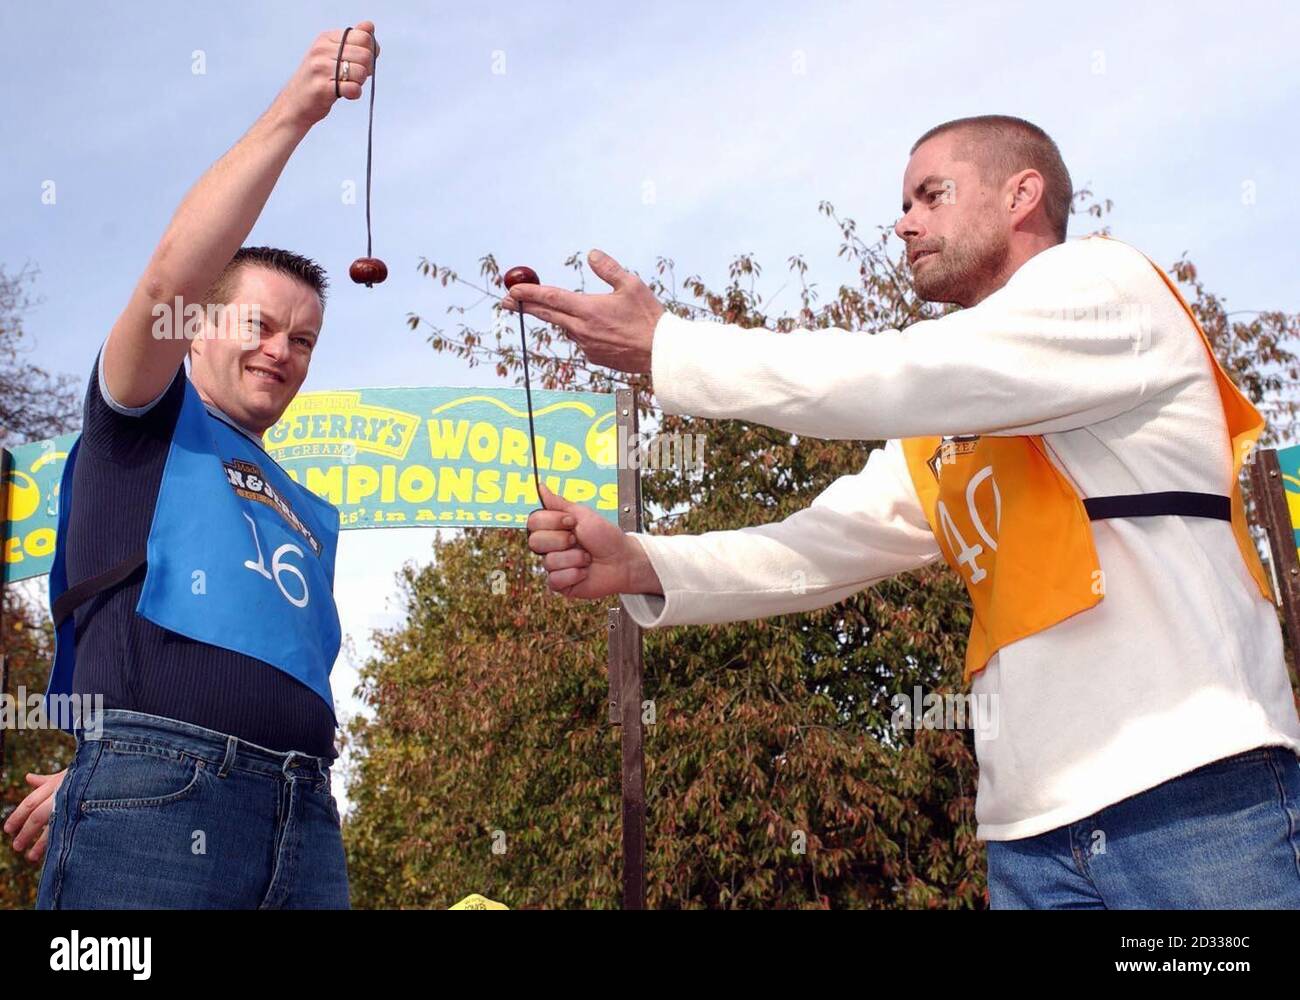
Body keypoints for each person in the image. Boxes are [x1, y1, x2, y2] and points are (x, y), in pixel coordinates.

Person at [509, 115, 1300, 909]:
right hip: (1030, 836)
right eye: (903, 203)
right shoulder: (950, 416)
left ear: (1023, 193)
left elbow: (893, 373)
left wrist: (668, 347)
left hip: (1196, 795)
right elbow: (819, 548)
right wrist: (643, 563)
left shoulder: (1104, 289)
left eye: (932, 194)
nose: (903, 222)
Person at [3, 21, 380, 909]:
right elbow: (172, 276)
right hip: (157, 810)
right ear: (196, 333)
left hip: (306, 818)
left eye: (305, 341)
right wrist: (299, 110)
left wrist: (98, 780)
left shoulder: (308, 510)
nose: (282, 351)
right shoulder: (143, 418)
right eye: (258, 326)